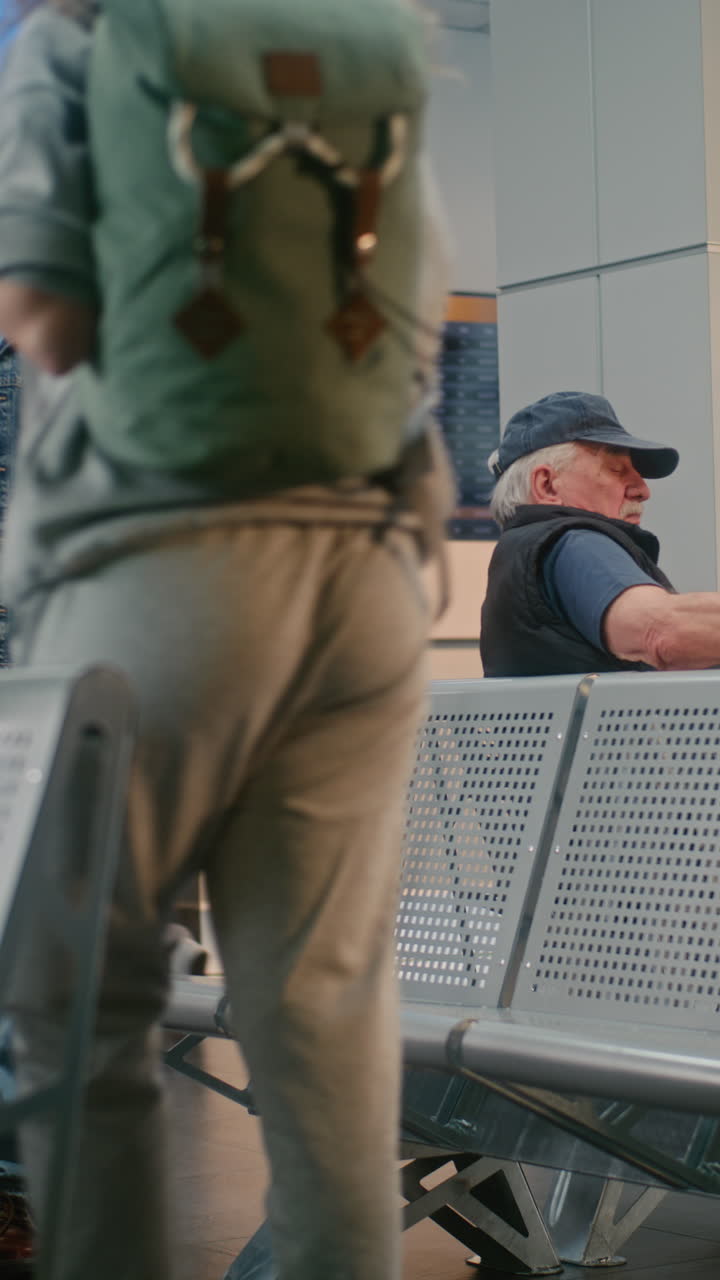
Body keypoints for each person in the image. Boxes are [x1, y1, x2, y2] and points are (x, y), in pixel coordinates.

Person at [0, 4, 453, 1280]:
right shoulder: (369, 45)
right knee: (327, 1016)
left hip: (163, 568)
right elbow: (409, 316)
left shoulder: (84, 30)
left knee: (78, 1005)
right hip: (367, 571)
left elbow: (40, 308)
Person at [478, 388, 713, 678]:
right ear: (548, 485)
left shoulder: (530, 551)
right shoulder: (576, 543)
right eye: (616, 469)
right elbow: (663, 631)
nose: (643, 490)